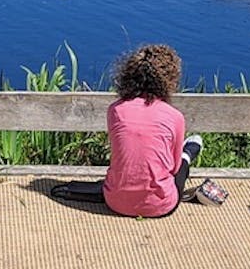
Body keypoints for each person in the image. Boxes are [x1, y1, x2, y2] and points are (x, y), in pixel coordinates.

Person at [51, 44, 203, 217]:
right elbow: (174, 168)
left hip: (114, 201)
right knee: (182, 165)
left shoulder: (116, 109)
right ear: (170, 79)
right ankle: (189, 152)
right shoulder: (175, 116)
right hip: (160, 206)